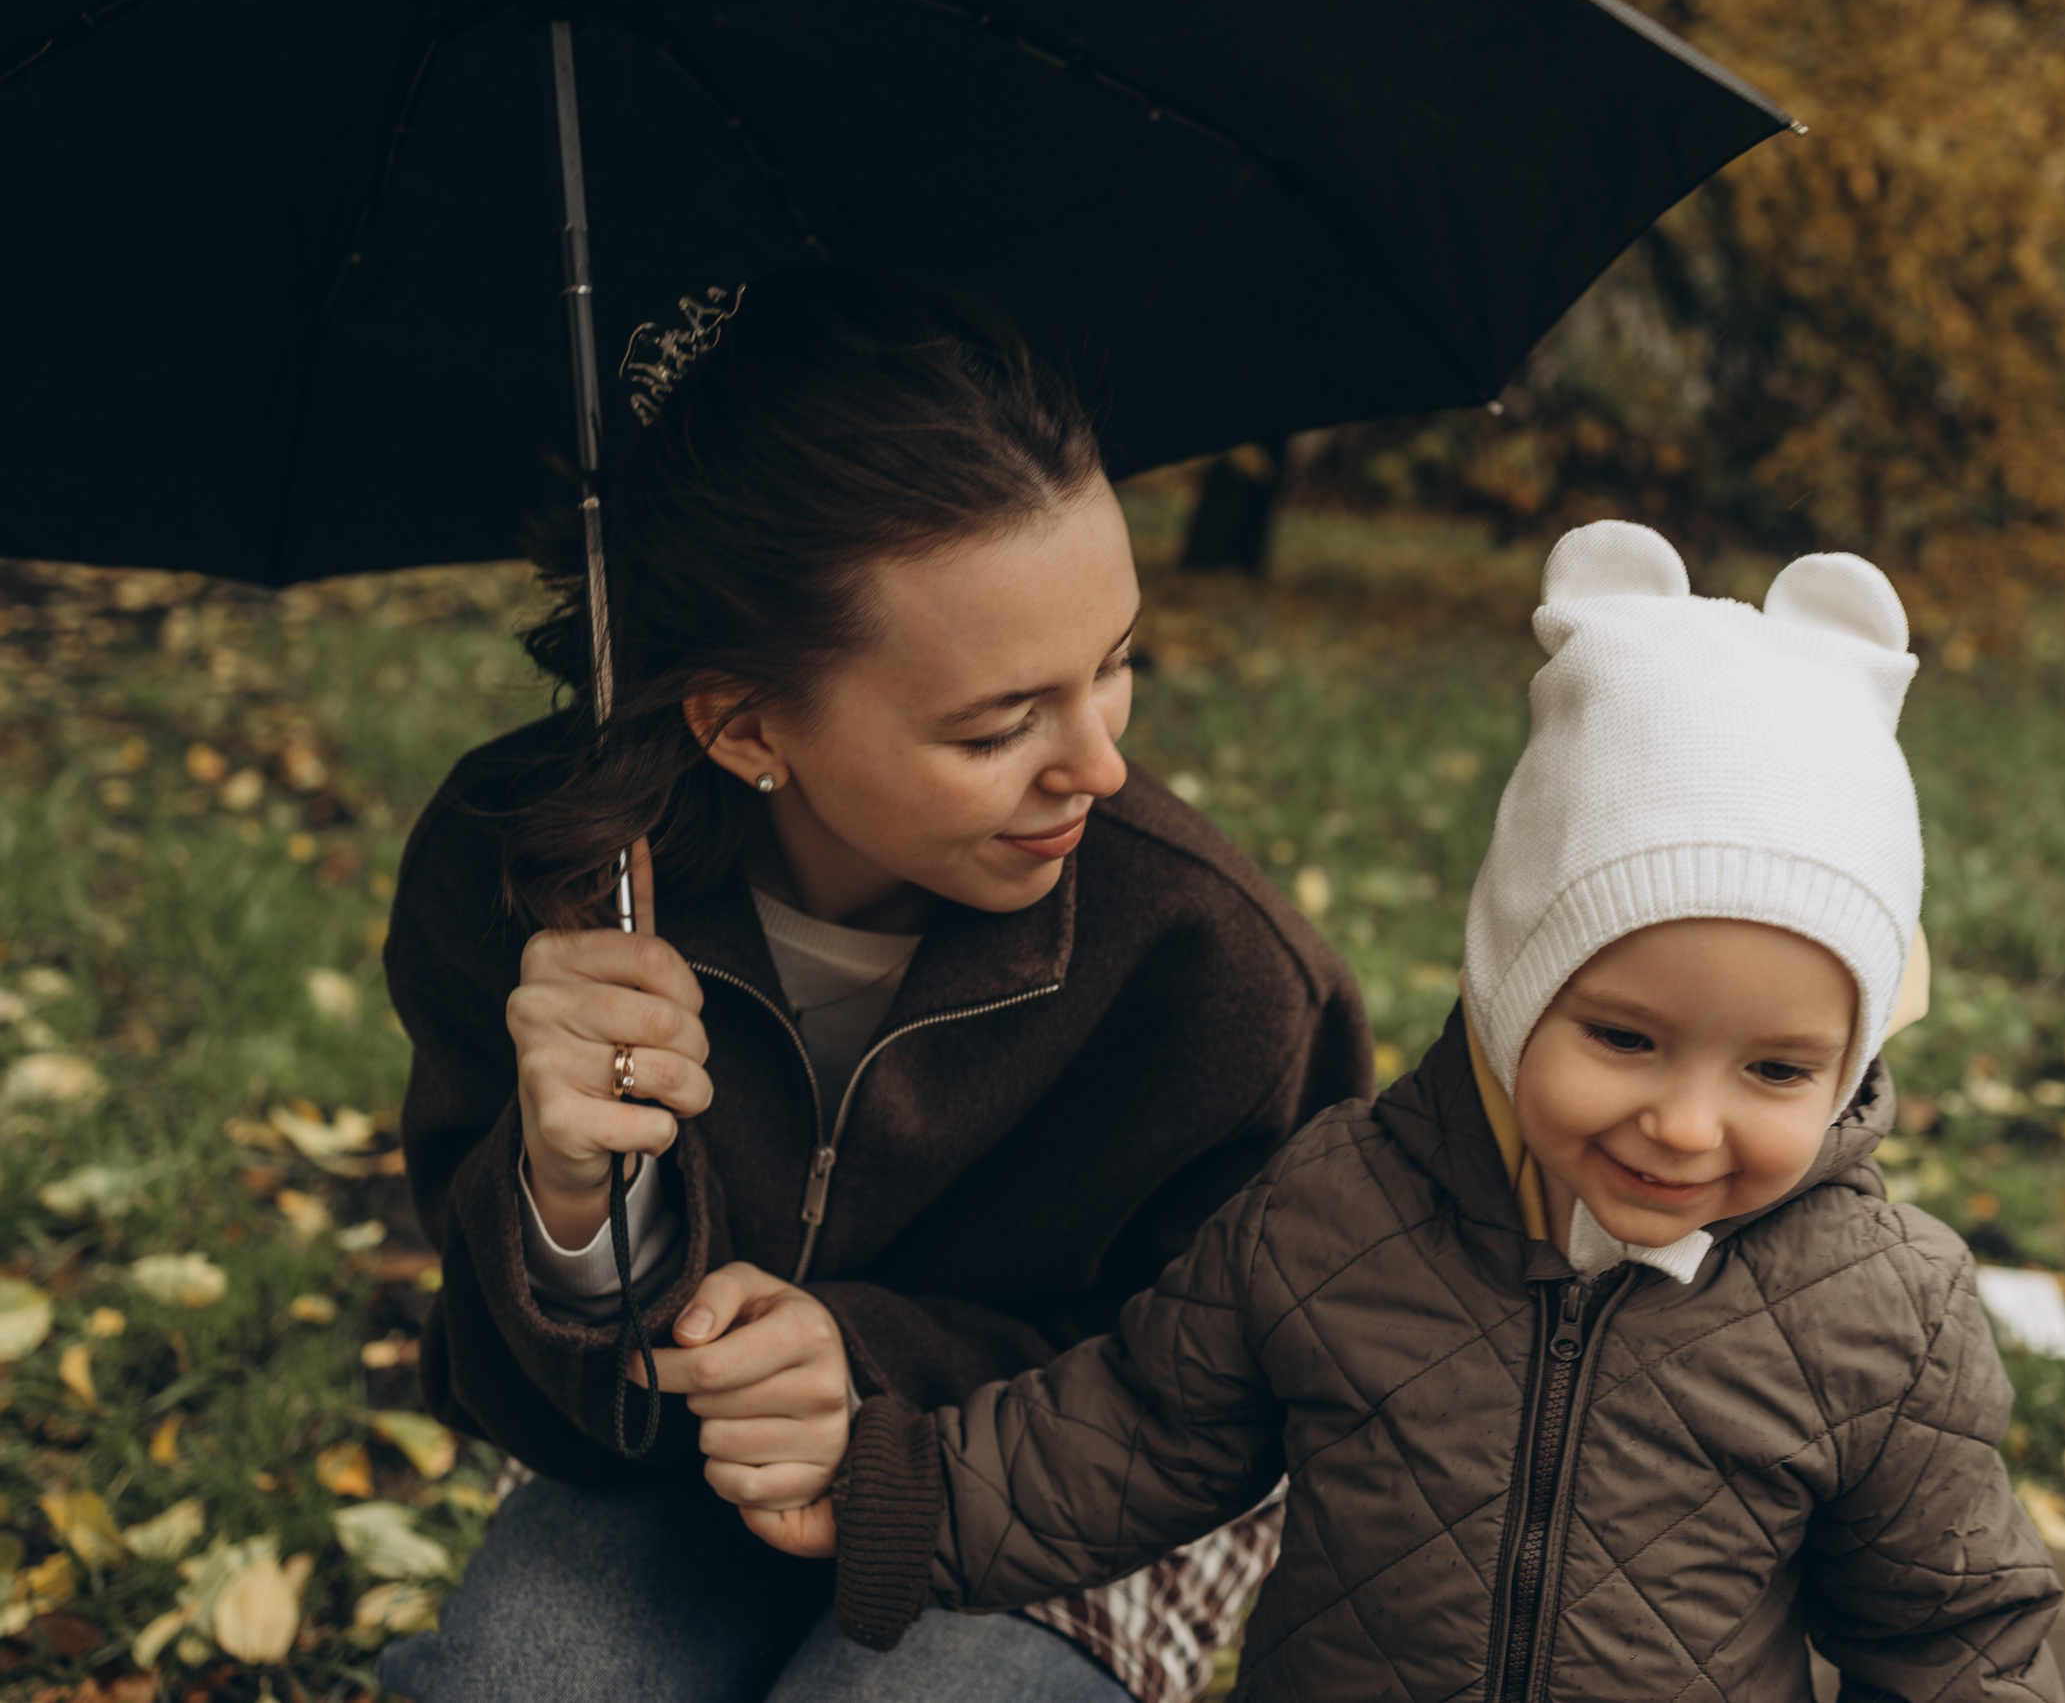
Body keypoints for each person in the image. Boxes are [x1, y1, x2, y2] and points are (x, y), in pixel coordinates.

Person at [828, 522, 2064, 1701]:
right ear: (1513, 992)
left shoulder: (1880, 1314)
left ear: (1847, 1064)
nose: (1688, 1124)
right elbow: (1143, 1429)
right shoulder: (1337, 1209)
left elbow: (1949, 1633)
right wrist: (899, 1499)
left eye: (1777, 1072)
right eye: (1625, 1040)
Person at [376, 270, 1370, 1703]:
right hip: (688, 1485)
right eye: (999, 724)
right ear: (742, 720)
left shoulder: (1215, 970)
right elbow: (559, 1416)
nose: (1097, 762)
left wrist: (869, 1374)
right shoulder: (529, 883)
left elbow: (1237, 1392)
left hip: (1063, 1490)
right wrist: (572, 1203)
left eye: (1115, 663)